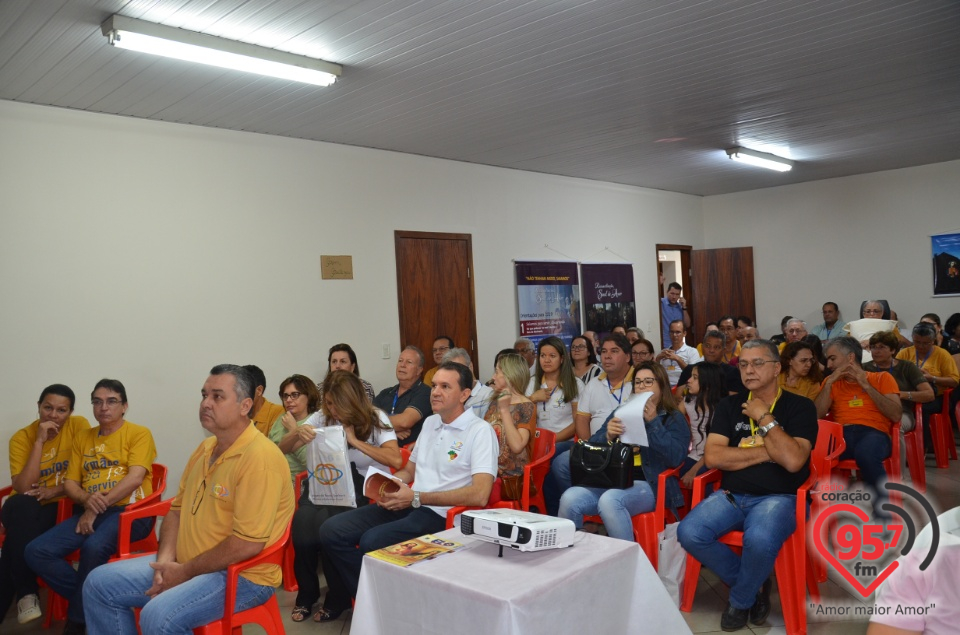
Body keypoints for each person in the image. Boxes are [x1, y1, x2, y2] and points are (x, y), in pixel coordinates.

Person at [82, 365, 295, 635]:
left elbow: (246, 544)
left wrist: (183, 573)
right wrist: (165, 563)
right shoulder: (206, 448)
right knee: (98, 584)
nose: (205, 403)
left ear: (245, 405)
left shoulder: (261, 459)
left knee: (158, 616)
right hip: (186, 563)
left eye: (217, 397)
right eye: (204, 395)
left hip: (241, 576)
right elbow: (176, 511)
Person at [317, 362, 498, 620]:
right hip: (411, 503)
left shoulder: (479, 431)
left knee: (372, 541)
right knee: (331, 531)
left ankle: (384, 608)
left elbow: (480, 494)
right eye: (434, 385)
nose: (435, 391)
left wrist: (415, 496)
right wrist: (390, 487)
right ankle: (377, 604)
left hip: (442, 515)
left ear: (465, 394)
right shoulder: (432, 423)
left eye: (445, 386)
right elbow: (408, 471)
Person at [677, 340, 817, 632]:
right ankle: (753, 584)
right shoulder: (729, 405)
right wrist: (772, 451)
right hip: (732, 495)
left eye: (757, 363)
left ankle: (741, 600)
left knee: (760, 538)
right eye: (743, 364)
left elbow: (792, 462)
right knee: (689, 532)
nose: (748, 370)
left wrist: (763, 418)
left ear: (777, 368)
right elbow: (714, 456)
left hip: (781, 497)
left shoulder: (800, 407)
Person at [26, 379, 155, 635]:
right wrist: (87, 501)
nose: (103, 407)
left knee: (93, 546)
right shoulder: (83, 437)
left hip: (131, 513)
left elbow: (135, 478)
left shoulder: (139, 433)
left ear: (124, 406)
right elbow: (71, 483)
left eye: (111, 401)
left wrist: (94, 508)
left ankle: (76, 623)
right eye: (97, 401)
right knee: (36, 551)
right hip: (92, 510)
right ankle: (95, 599)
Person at [280, 371, 402, 623]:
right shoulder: (323, 416)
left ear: (351, 400)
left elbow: (395, 459)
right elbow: (281, 450)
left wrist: (355, 441)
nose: (331, 409)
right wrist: (296, 434)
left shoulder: (375, 417)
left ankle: (337, 598)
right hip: (324, 484)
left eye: (336, 404)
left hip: (361, 489)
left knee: (327, 530)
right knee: (302, 528)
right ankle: (307, 595)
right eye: (329, 403)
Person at [558, 362, 688, 541]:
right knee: (569, 498)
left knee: (610, 501)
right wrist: (608, 435)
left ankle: (626, 563)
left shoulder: (673, 417)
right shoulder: (622, 411)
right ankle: (572, 558)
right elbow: (592, 446)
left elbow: (676, 458)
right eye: (638, 382)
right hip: (613, 480)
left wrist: (653, 423)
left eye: (648, 381)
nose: (642, 386)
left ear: (661, 385)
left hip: (651, 485)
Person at [1, 385, 90, 626]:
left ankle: (26, 594)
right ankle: (27, 593)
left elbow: (85, 475)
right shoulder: (22, 437)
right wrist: (39, 442)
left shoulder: (79, 426)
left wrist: (54, 490)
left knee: (11, 547)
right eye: (47, 407)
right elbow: (23, 486)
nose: (53, 415)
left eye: (61, 410)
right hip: (24, 506)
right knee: (22, 504)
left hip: (61, 506)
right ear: (38, 407)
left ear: (70, 412)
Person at [816, 336, 901, 520]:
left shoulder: (881, 378)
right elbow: (817, 415)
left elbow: (895, 415)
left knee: (866, 454)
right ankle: (810, 509)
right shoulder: (831, 382)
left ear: (850, 358)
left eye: (832, 358)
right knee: (810, 453)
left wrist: (866, 386)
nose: (829, 364)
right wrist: (829, 383)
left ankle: (883, 516)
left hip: (874, 433)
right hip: (841, 435)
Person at [485, 354, 536, 501]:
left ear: (509, 375)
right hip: (491, 469)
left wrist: (505, 410)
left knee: (474, 489)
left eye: (497, 372)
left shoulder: (526, 406)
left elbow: (517, 446)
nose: (493, 377)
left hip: (511, 476)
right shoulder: (495, 401)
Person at [864, 330, 933, 433]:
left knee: (895, 428)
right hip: (870, 411)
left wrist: (899, 395)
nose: (876, 351)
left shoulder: (907, 367)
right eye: (873, 347)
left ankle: (897, 449)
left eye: (881, 347)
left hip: (901, 412)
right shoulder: (864, 368)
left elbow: (929, 394)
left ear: (892, 350)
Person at [575, 333, 635, 439]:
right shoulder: (593, 384)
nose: (607, 356)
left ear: (627, 357)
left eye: (614, 351)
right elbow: (581, 420)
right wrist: (589, 448)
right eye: (604, 351)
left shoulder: (639, 381)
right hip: (597, 448)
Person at [372, 346, 432, 447]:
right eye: (400, 361)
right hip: (381, 454)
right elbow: (364, 418)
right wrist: (391, 430)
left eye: (409, 362)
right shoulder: (386, 393)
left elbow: (404, 422)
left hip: (409, 455)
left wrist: (378, 426)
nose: (402, 365)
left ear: (419, 370)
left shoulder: (425, 392)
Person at [527, 336, 583, 443]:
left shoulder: (576, 384)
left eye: (552, 356)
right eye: (543, 356)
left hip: (566, 441)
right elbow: (521, 414)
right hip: (539, 440)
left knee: (558, 459)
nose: (547, 360)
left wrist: (552, 440)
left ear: (562, 359)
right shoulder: (532, 383)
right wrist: (533, 398)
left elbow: (579, 422)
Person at [269, 374, 320, 484]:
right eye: (285, 396)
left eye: (294, 395)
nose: (288, 400)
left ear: (308, 396)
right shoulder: (282, 419)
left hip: (301, 482)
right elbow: (270, 451)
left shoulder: (316, 421)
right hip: (273, 476)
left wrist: (294, 429)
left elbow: (311, 463)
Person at [681, 363, 725, 488]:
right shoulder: (688, 402)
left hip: (714, 457)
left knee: (701, 478)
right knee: (671, 472)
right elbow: (674, 420)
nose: (688, 380)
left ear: (708, 383)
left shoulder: (721, 409)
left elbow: (715, 449)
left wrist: (694, 470)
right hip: (694, 455)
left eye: (695, 377)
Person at [677, 330, 744, 395]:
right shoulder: (690, 369)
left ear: (724, 350)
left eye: (717, 347)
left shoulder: (732, 372)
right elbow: (678, 397)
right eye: (708, 346)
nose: (711, 350)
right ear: (702, 348)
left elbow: (733, 401)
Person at [442, 347, 493, 418]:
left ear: (471, 367)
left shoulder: (488, 395)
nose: (457, 376)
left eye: (460, 370)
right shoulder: (446, 395)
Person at [243, 365, 285, 436]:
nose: (238, 396)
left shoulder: (277, 412)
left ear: (259, 390)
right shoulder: (235, 412)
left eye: (244, 389)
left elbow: (274, 445)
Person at [656, 320, 699, 387]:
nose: (674, 335)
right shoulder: (663, 352)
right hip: (665, 387)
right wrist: (658, 359)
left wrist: (678, 359)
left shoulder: (692, 351)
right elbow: (656, 374)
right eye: (672, 332)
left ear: (684, 333)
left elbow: (692, 373)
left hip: (683, 386)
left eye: (678, 332)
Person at [660, 282, 691, 347]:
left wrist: (684, 308)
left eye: (677, 294)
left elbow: (687, 324)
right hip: (664, 342)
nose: (674, 297)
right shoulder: (661, 303)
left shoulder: (680, 307)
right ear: (667, 292)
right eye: (672, 293)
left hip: (678, 343)